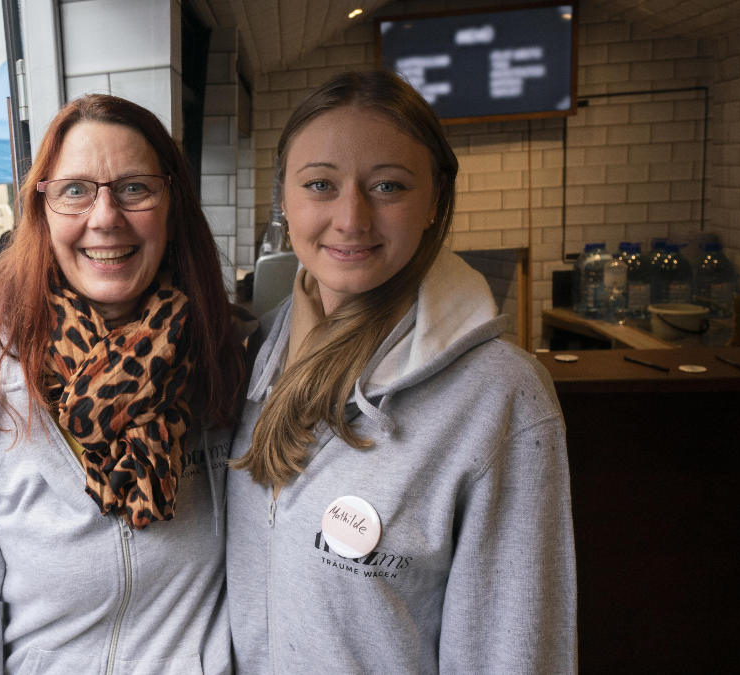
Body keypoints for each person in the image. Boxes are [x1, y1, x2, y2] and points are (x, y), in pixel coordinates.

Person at [226, 70, 576, 674]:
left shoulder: (499, 396)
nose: (352, 218)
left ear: (435, 198)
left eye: (388, 186)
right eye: (320, 185)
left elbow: (513, 653)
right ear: (283, 199)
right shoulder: (259, 354)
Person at [0, 94, 247, 674]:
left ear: (172, 204)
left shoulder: (224, 362)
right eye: (75, 190)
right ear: (42, 210)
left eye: (135, 187)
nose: (106, 216)